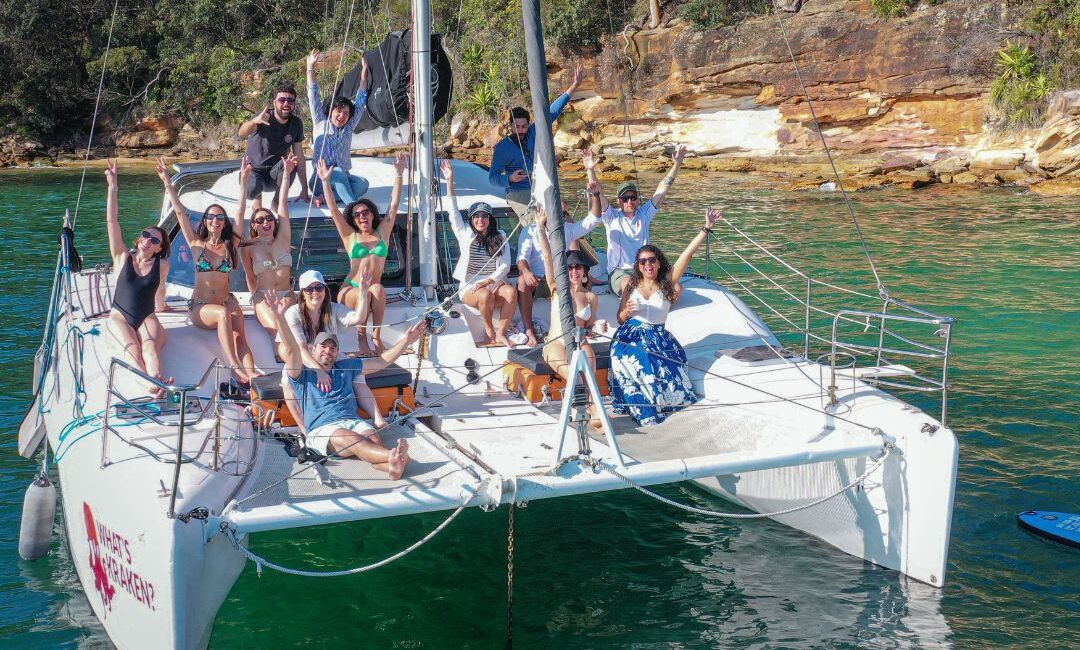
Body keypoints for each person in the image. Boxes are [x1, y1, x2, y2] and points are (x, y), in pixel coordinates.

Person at [268, 290, 427, 477]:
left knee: (373, 439)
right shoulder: (301, 373)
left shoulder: (346, 366)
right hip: (323, 430)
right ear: (312, 350)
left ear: (337, 352)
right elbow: (293, 350)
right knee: (352, 439)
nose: (328, 350)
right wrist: (279, 318)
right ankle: (395, 456)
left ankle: (393, 466)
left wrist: (406, 340)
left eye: (333, 348)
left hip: (353, 422)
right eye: (323, 346)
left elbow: (381, 362)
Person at [608, 207, 723, 426]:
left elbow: (686, 255)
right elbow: (620, 318)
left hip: (658, 336)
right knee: (637, 360)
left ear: (659, 262)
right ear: (638, 266)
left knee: (661, 366)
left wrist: (706, 229)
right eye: (643, 262)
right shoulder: (631, 284)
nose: (648, 265)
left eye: (652, 260)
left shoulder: (666, 284)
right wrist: (626, 312)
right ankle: (643, 408)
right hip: (630, 335)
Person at [156, 156, 259, 384]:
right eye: (211, 216)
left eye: (220, 217)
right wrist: (167, 182)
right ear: (205, 221)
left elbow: (241, 212)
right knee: (223, 315)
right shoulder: (195, 244)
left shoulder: (230, 244)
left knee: (240, 336)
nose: (216, 220)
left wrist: (244, 182)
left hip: (227, 300)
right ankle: (233, 366)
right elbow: (181, 213)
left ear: (224, 222)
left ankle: (252, 374)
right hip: (200, 307)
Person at [317, 153, 405, 354]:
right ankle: (361, 339)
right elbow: (333, 210)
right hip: (351, 289)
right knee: (367, 291)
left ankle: (376, 336)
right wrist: (324, 181)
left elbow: (393, 206)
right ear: (354, 220)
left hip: (372, 287)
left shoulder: (382, 233)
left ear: (372, 214)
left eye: (365, 212)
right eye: (357, 215)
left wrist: (399, 174)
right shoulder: (351, 237)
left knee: (378, 289)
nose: (361, 216)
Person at [282, 269, 387, 431]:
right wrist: (319, 371)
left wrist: (364, 292)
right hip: (305, 358)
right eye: (309, 289)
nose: (315, 292)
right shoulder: (293, 313)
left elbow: (358, 318)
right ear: (302, 293)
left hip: (329, 354)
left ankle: (378, 418)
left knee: (357, 374)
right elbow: (300, 349)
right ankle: (304, 430)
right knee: (286, 381)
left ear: (325, 290)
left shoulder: (333, 309)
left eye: (319, 288)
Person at [103, 160, 172, 397]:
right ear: (138, 238)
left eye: (154, 240)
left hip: (147, 315)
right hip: (120, 316)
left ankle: (157, 380)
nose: (147, 240)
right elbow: (112, 222)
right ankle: (150, 386)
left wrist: (163, 307)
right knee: (132, 348)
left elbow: (159, 291)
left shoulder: (161, 265)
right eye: (145, 235)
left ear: (159, 248)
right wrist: (113, 186)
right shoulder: (122, 257)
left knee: (151, 346)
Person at [533, 204, 604, 429]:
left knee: (589, 373)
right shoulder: (557, 288)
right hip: (556, 343)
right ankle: (593, 410)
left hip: (580, 341)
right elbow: (546, 255)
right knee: (574, 373)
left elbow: (589, 327)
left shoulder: (592, 297)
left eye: (578, 267)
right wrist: (541, 229)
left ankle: (590, 409)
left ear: (584, 272)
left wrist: (597, 329)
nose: (573, 271)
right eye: (570, 267)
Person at [590, 144, 688, 296]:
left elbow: (662, 189)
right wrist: (590, 170)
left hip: (645, 268)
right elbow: (598, 192)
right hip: (620, 272)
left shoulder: (644, 214)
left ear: (637, 200)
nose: (630, 201)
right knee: (631, 287)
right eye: (625, 198)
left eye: (633, 198)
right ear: (619, 201)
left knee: (677, 289)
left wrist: (677, 164)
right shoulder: (611, 216)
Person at [488, 62, 585, 214]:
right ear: (510, 126)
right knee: (535, 223)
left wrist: (575, 85)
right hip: (518, 193)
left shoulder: (534, 131)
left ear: (529, 124)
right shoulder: (502, 148)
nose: (521, 130)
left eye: (524, 126)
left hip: (541, 187)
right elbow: (492, 178)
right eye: (517, 127)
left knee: (561, 218)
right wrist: (510, 178)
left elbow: (553, 110)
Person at [515, 183, 602, 346]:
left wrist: (595, 195)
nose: (555, 215)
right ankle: (528, 329)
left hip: (562, 280)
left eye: (558, 211)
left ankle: (583, 325)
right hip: (538, 281)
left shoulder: (567, 229)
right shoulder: (530, 231)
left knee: (583, 279)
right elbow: (521, 259)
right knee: (521, 280)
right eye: (551, 210)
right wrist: (526, 272)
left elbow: (594, 219)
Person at [442, 158, 516, 346]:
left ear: (490, 219)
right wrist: (450, 181)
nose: (480, 219)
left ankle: (501, 332)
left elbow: (506, 264)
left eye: (484, 216)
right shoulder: (464, 233)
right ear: (472, 219)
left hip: (492, 282)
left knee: (510, 292)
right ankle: (489, 329)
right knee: (484, 295)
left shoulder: (500, 235)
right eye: (476, 216)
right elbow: (453, 212)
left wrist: (489, 280)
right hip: (470, 286)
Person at [238, 154, 296, 360]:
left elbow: (283, 206)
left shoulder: (283, 238)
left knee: (286, 323)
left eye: (268, 218)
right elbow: (249, 276)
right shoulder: (248, 247)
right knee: (276, 332)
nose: (265, 222)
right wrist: (255, 296)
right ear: (253, 225)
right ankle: (288, 358)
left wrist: (287, 174)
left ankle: (290, 358)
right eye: (259, 220)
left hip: (287, 294)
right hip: (262, 295)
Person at [306, 48, 370, 206]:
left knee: (363, 184)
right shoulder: (321, 122)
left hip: (342, 178)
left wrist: (364, 73)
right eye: (339, 112)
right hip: (320, 180)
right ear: (331, 111)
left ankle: (325, 199)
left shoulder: (348, 128)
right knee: (339, 173)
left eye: (346, 114)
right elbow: (313, 95)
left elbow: (361, 102)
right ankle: (353, 209)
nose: (342, 116)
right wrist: (310, 68)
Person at [238, 82, 310, 212]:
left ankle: (277, 202)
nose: (286, 104)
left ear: (294, 103)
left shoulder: (296, 124)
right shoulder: (263, 117)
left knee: (291, 162)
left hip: (275, 174)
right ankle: (257, 198)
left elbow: (299, 156)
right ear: (274, 102)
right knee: (251, 191)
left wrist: (304, 189)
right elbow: (241, 133)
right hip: (255, 170)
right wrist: (254, 121)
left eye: (290, 100)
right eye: (282, 100)